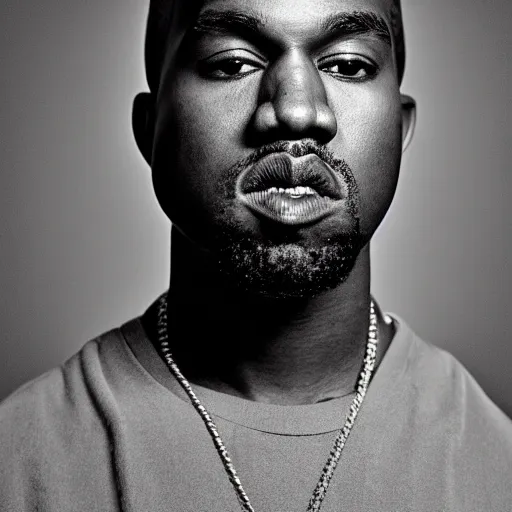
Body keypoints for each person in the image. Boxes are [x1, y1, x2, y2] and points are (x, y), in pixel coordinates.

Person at [1, 0, 511, 510]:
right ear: (149, 128)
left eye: (349, 65)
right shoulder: (19, 461)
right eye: (232, 63)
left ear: (400, 132)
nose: (296, 111)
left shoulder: (496, 467)